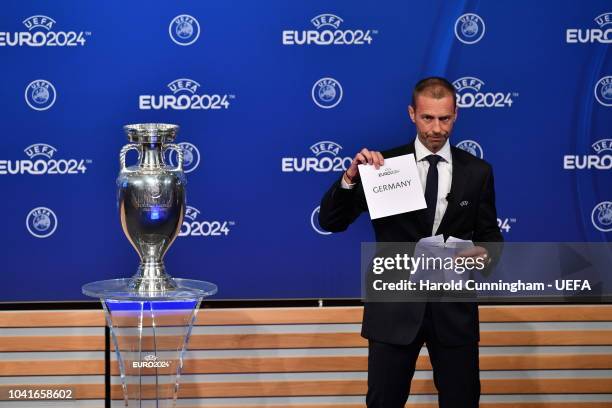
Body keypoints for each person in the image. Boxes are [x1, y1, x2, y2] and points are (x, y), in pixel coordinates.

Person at [318, 77, 503, 408]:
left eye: (444, 118)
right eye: (427, 118)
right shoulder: (383, 168)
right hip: (393, 309)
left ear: (456, 114)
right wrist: (349, 178)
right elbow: (330, 222)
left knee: (462, 401)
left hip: (453, 311)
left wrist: (481, 256)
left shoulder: (478, 172)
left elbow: (491, 238)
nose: (436, 128)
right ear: (411, 114)